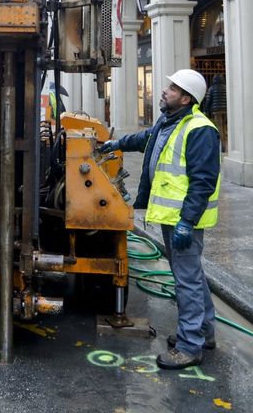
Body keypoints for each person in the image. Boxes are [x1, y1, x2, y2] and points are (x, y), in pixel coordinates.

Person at [98, 69, 220, 370]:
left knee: (186, 281)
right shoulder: (170, 123)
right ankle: (204, 333)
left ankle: (190, 346)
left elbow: (203, 181)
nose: (165, 91)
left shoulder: (199, 129)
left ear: (186, 98)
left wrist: (187, 222)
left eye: (172, 88)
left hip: (183, 219)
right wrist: (116, 144)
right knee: (192, 275)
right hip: (172, 215)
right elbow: (145, 139)